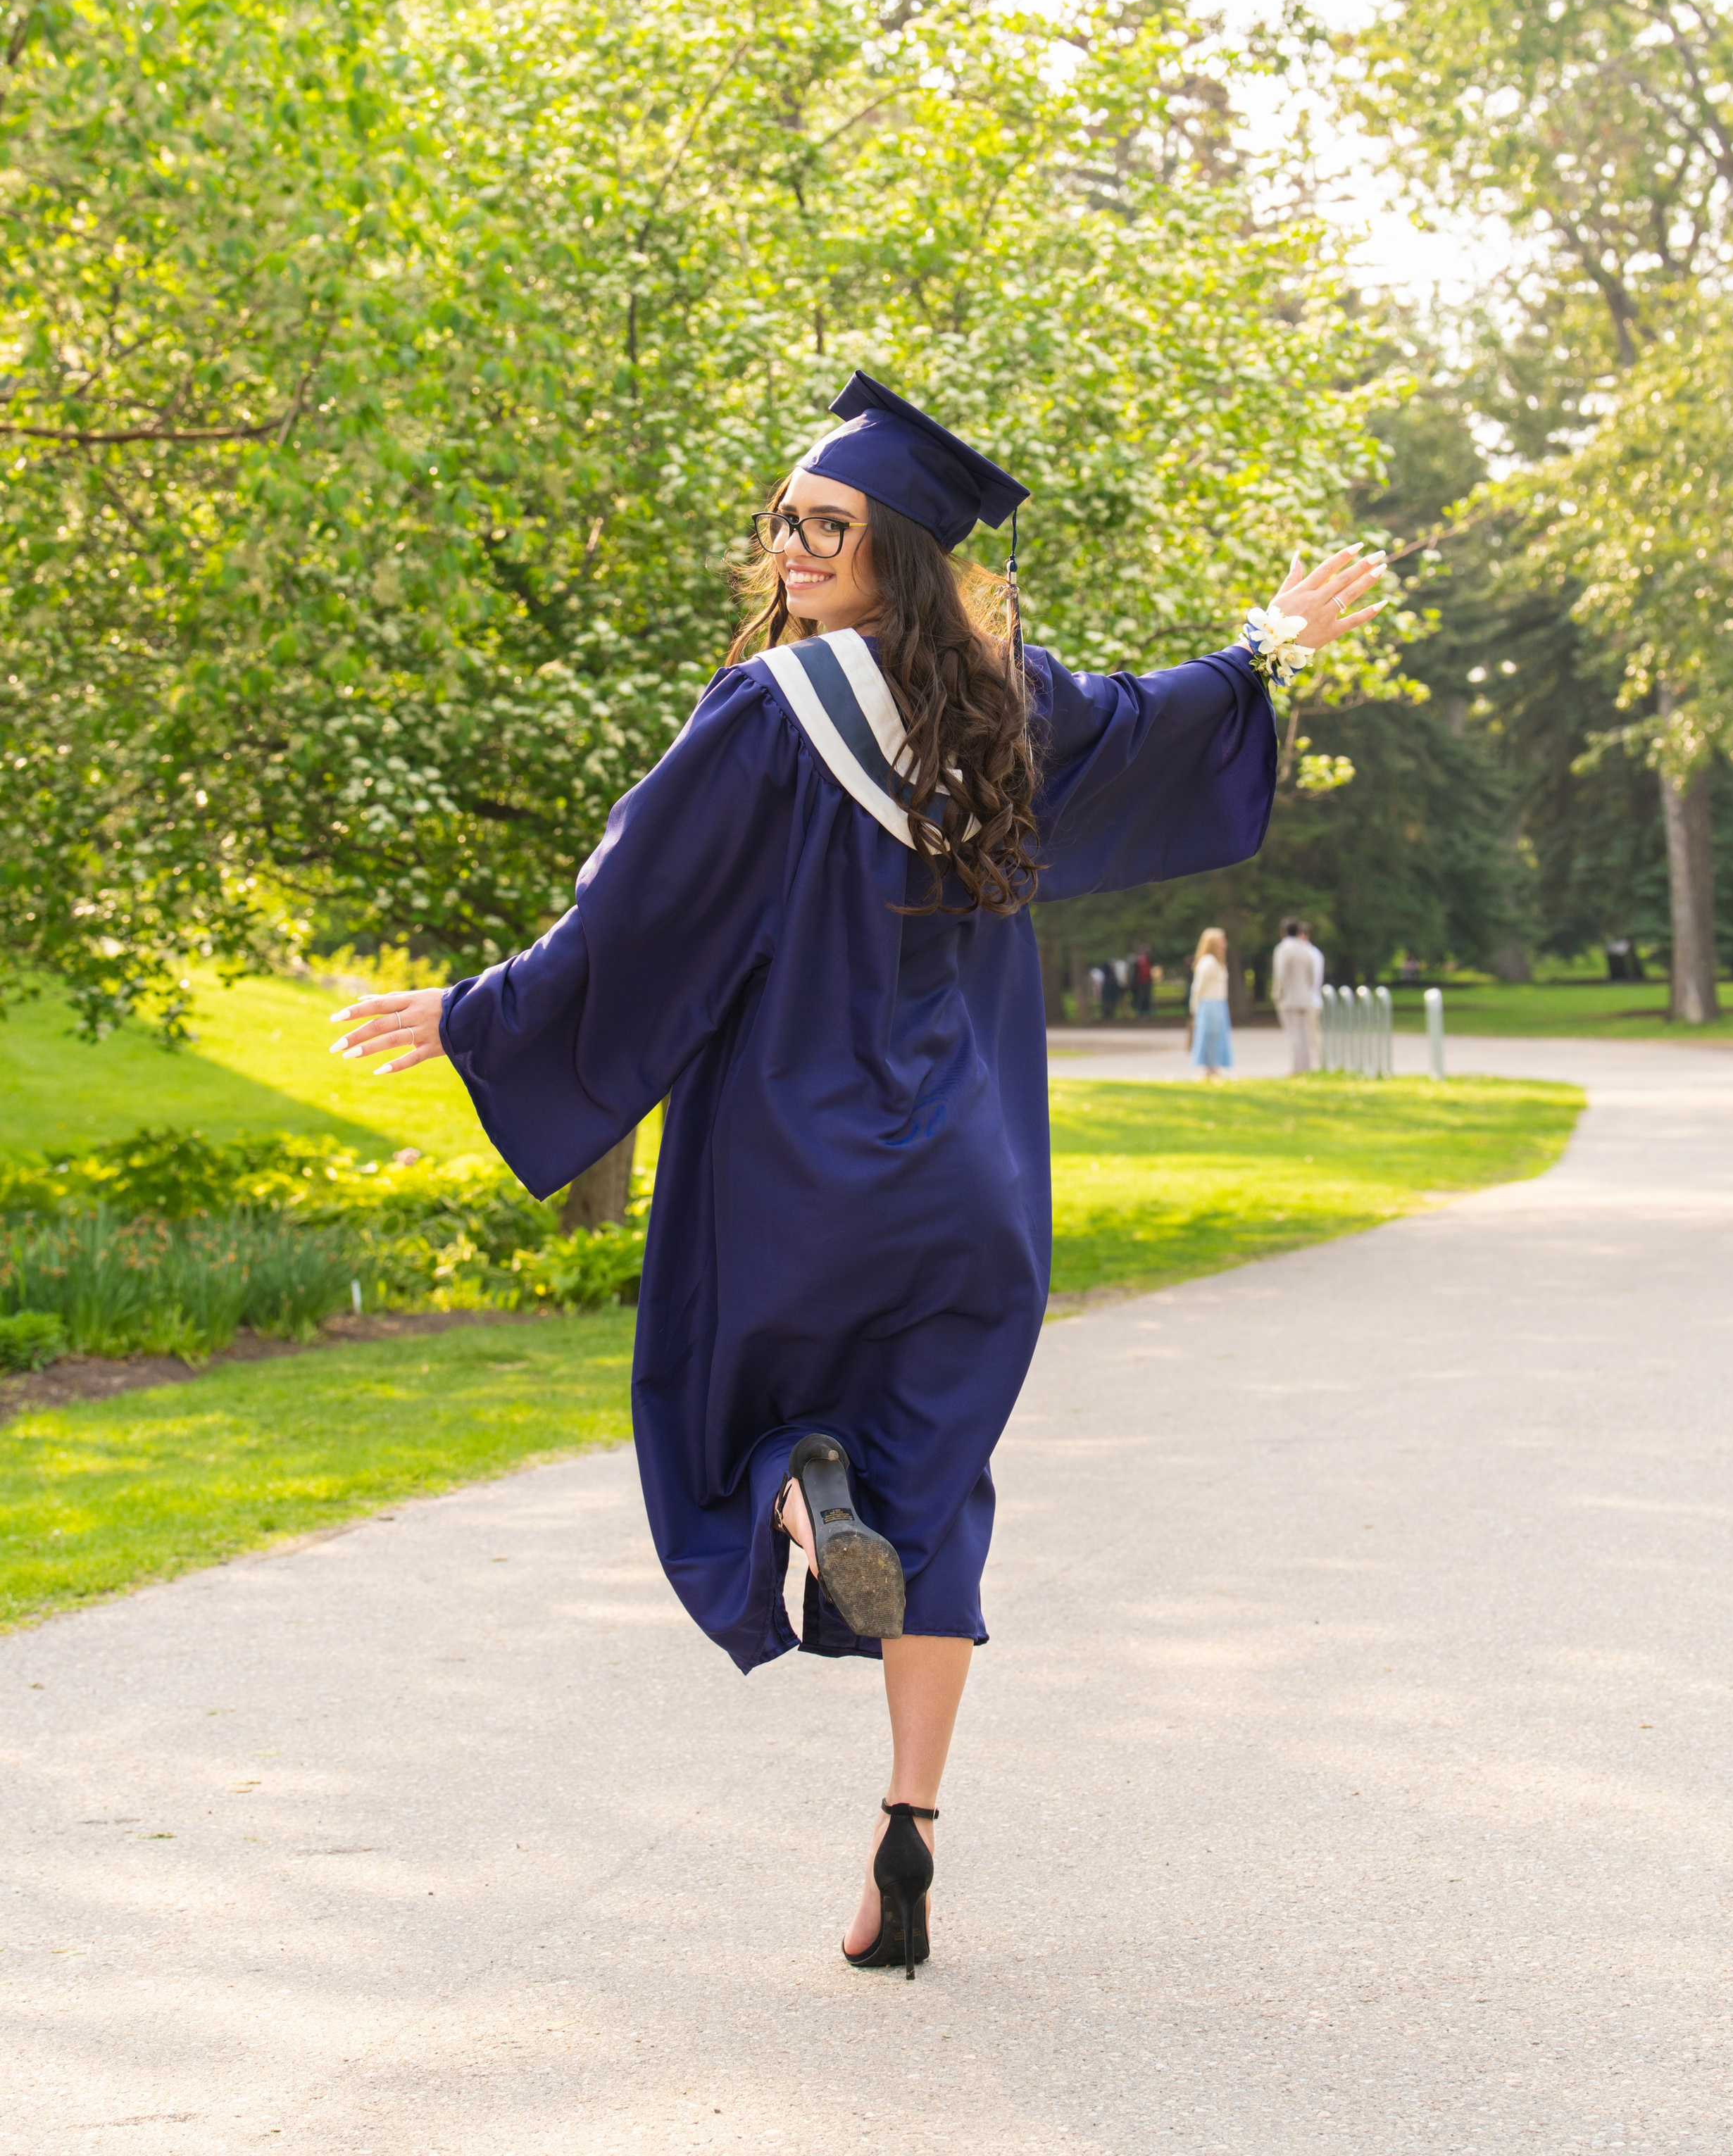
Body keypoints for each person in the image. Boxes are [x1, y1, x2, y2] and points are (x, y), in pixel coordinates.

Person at [327, 372, 1383, 1977]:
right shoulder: (1006, 709)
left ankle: (803, 1501)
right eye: (781, 519)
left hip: (794, 1161)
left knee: (739, 1408)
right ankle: (905, 1828)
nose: (790, 544)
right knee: (940, 1493)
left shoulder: (769, 713)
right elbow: (1164, 714)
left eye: (823, 522)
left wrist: (476, 1014)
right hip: (968, 1181)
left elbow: (633, 915)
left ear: (888, 544)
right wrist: (1267, 641)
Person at [1272, 919, 1326, 1073]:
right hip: (1306, 997)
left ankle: (1297, 1067)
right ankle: (1306, 1066)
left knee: (1294, 1035)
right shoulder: (1307, 950)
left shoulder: (1283, 949)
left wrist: (1277, 994)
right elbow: (1312, 975)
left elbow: (1280, 974)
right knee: (1305, 1035)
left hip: (1289, 998)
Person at [1188, 927, 1233, 1078]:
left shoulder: (1217, 962)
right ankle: (1210, 1068)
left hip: (1218, 1003)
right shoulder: (1208, 963)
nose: (1225, 943)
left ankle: (1214, 1067)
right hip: (1209, 1004)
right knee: (1210, 1036)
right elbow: (1198, 988)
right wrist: (1194, 1008)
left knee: (1217, 1036)